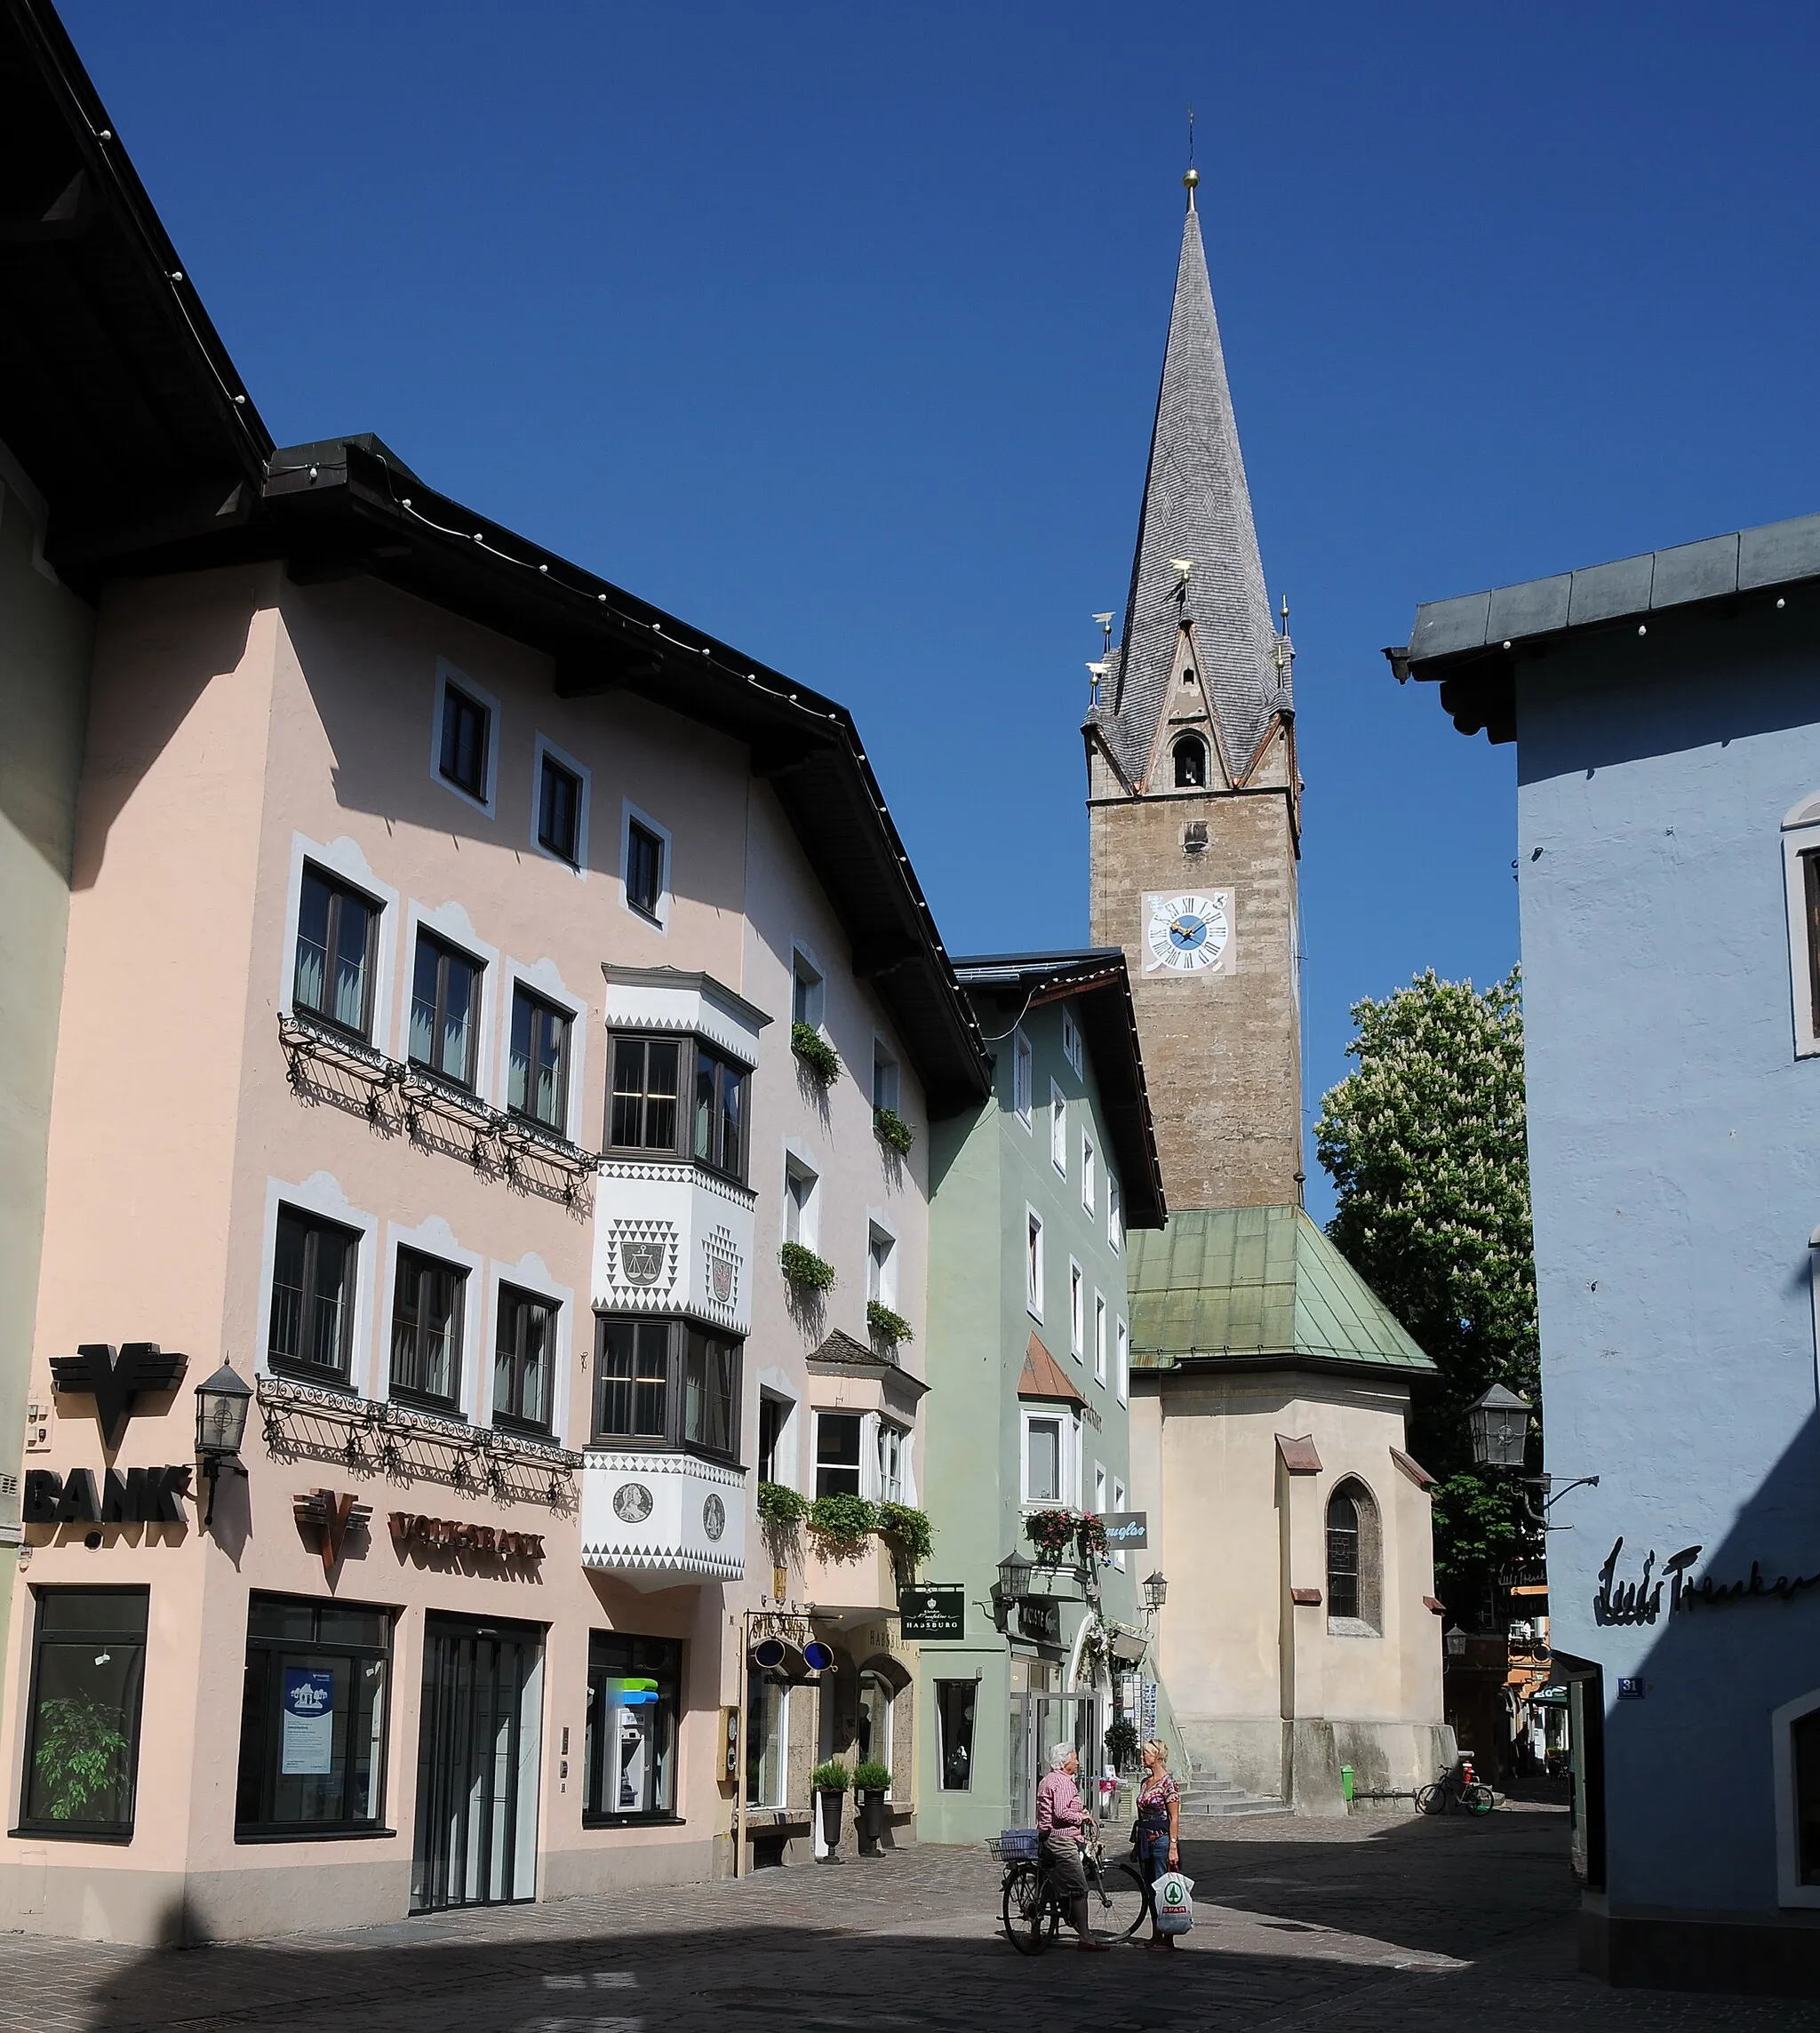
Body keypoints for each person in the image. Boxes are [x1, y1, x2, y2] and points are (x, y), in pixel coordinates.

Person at [1035, 1742, 1111, 1950]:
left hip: (1046, 1838)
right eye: (1075, 1758)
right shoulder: (1063, 1782)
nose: (1078, 1762)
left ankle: (1036, 1932)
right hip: (1062, 1840)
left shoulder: (1047, 1780)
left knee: (1047, 1885)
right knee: (1079, 1888)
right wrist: (1083, 1817)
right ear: (1065, 1761)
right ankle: (1086, 1937)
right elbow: (1061, 1812)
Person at [1134, 1738, 1182, 1949]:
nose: (1142, 1756)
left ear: (1157, 1757)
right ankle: (1156, 1932)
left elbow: (1174, 1817)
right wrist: (1136, 1844)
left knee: (1163, 1887)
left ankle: (1168, 1935)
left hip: (1161, 1841)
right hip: (1145, 1839)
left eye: (1146, 1753)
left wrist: (1173, 1845)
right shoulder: (1146, 1782)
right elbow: (1140, 1813)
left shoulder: (1168, 1784)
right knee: (1150, 1889)